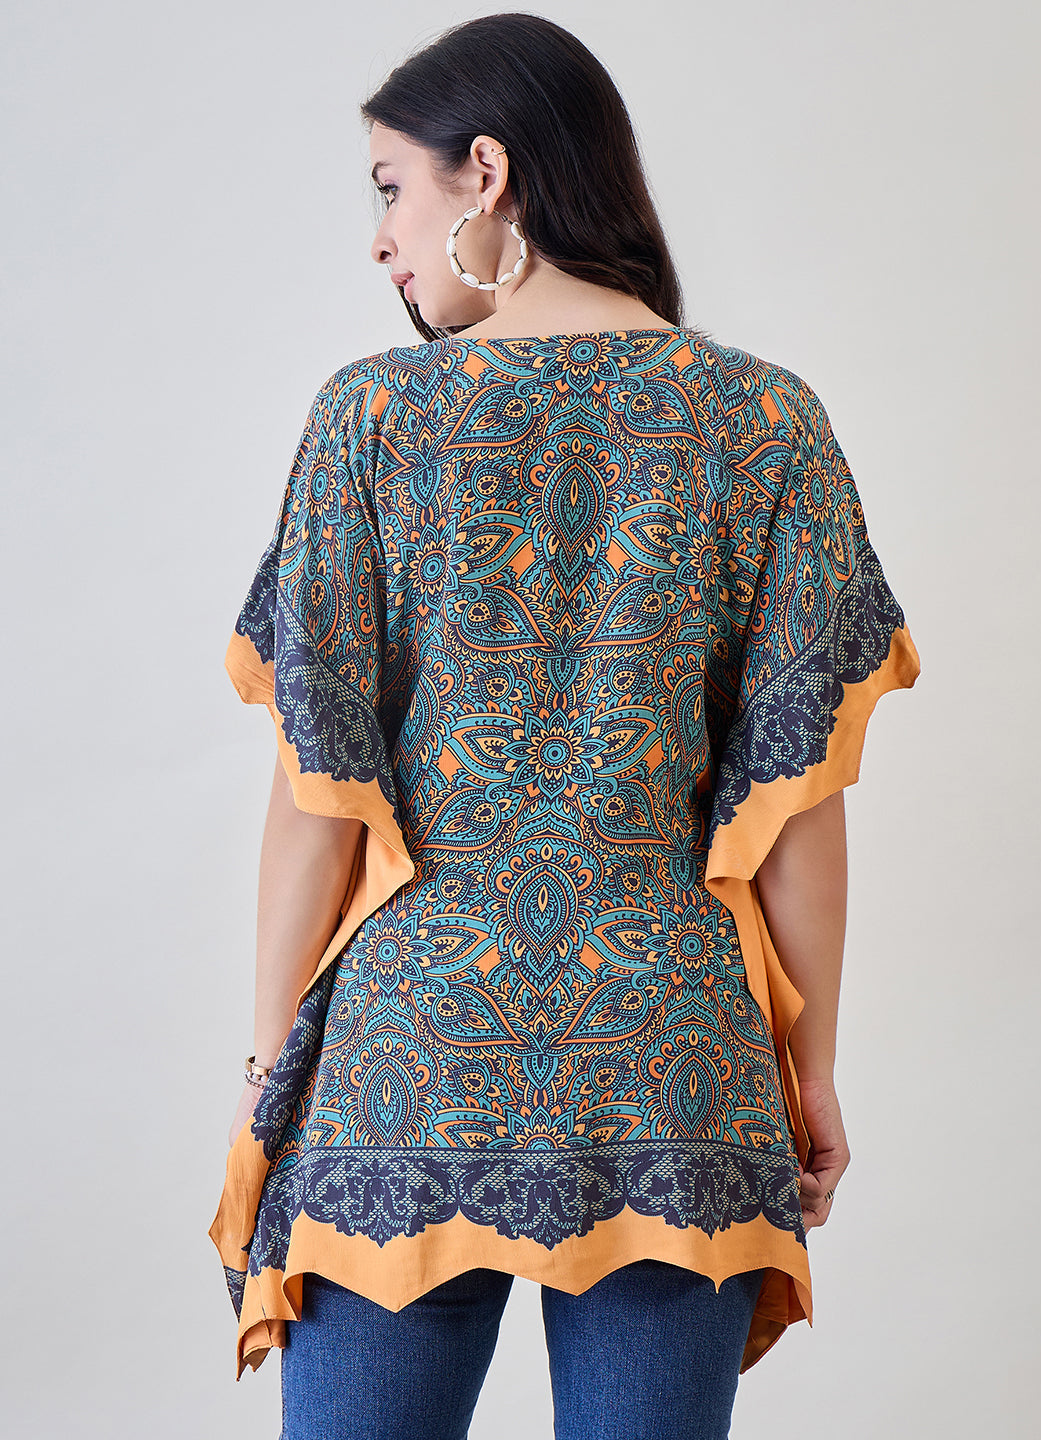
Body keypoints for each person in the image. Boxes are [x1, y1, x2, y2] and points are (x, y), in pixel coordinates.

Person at [208, 13, 920, 1439]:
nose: (380, 238)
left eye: (390, 189)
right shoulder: (767, 422)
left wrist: (272, 1064)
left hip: (411, 1065)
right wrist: (811, 1069)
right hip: (677, 1060)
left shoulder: (371, 422)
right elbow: (797, 800)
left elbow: (317, 787)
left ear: (486, 172)